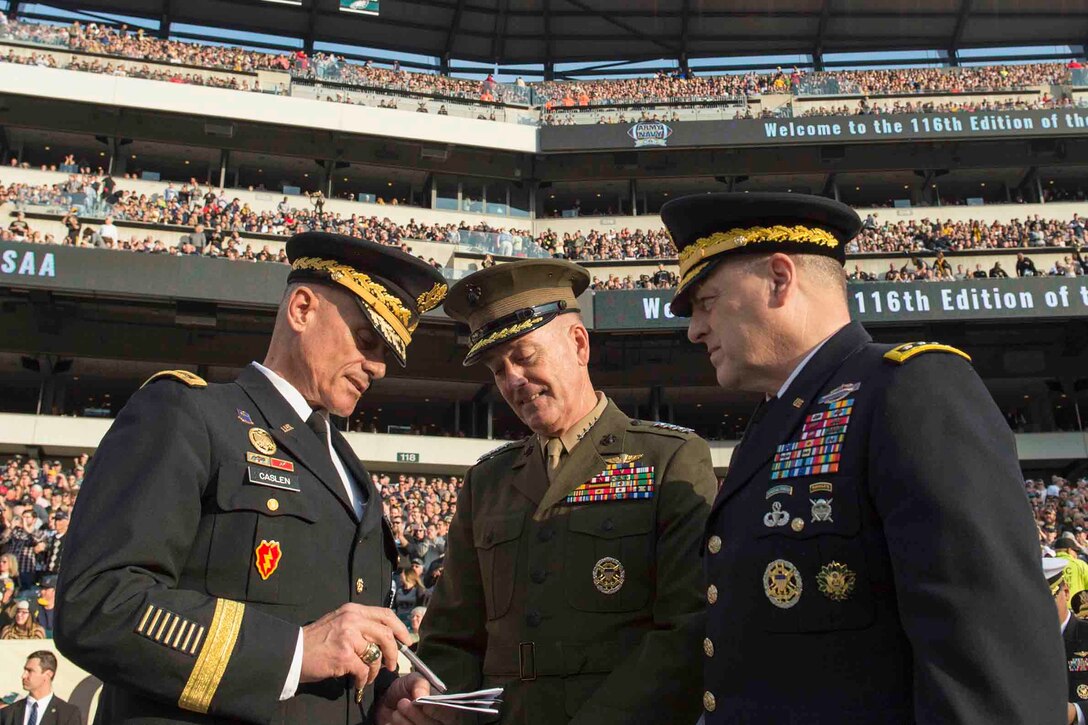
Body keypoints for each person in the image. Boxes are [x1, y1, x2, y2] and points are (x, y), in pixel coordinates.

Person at [662, 191, 1066, 723]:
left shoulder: (911, 390)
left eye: (707, 303)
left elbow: (986, 662)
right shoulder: (775, 423)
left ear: (780, 279)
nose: (694, 330)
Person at [55, 232, 449, 724]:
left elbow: (334, 635)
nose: (378, 367)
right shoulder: (190, 414)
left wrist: (383, 693)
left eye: (387, 352)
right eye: (367, 339)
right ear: (302, 309)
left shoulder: (351, 471)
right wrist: (292, 652)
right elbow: (98, 603)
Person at [379, 259, 717, 724]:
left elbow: (686, 630)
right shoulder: (487, 483)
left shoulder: (669, 460)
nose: (512, 380)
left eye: (524, 355)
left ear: (578, 344)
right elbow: (453, 637)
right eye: (499, 369)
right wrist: (438, 700)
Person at [1046, 556, 1088, 725]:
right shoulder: (1017, 642)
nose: (1043, 607)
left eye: (1050, 598)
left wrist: (1076, 712)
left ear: (1066, 592)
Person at [0, 651, 80, 725]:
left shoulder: (68, 714)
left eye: (30, 671)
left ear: (48, 674)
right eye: (25, 670)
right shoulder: (7, 713)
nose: (23, 676)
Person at [1057, 532, 1088, 615]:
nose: (1076, 555)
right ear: (1069, 550)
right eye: (1076, 552)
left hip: (1055, 611)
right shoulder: (1080, 564)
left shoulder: (1049, 566)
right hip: (1078, 610)